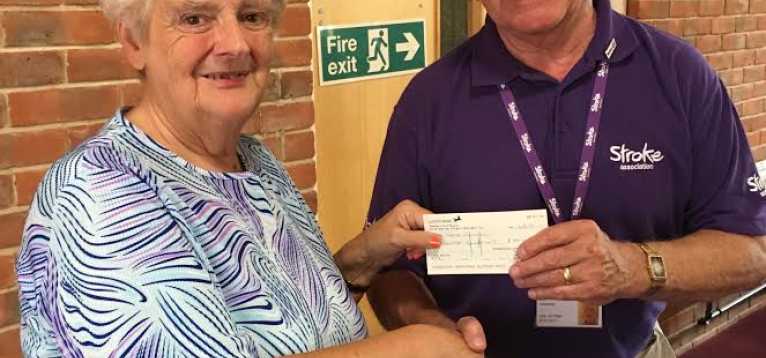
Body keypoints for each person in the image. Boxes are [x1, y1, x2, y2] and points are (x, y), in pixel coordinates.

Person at [14, 0, 485, 357]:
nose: (236, 44)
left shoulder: (255, 162)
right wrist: (419, 347)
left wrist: (361, 259)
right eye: (196, 18)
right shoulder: (99, 192)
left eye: (253, 15)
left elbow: (284, 322)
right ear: (134, 42)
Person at [366, 0, 766, 357]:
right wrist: (432, 330)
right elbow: (389, 269)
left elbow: (752, 252)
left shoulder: (680, 76)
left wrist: (632, 268)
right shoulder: (427, 102)